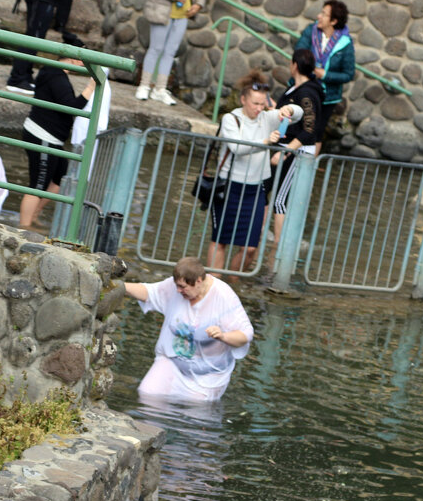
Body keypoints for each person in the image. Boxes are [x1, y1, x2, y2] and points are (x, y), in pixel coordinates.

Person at [122, 256, 254, 403]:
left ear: (199, 281)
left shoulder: (224, 296)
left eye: (183, 287)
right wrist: (120, 286)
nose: (178, 291)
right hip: (173, 363)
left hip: (208, 376)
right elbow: (149, 292)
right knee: (147, 393)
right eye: (177, 286)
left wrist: (223, 336)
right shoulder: (177, 287)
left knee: (194, 413)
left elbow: (246, 334)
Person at [208, 70, 299, 276]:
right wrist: (267, 142)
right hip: (229, 185)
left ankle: (233, 281)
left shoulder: (267, 118)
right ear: (243, 100)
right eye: (254, 103)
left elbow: (298, 114)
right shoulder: (230, 119)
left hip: (255, 189)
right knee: (220, 240)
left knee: (250, 248)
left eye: (262, 103)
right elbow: (237, 148)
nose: (259, 108)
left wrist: (288, 109)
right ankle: (215, 281)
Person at [18, 55, 96, 229]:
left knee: (61, 174)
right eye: (83, 59)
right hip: (42, 135)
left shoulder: (53, 71)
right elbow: (72, 107)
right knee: (38, 184)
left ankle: (34, 214)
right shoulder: (56, 74)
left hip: (50, 137)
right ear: (72, 58)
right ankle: (23, 228)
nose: (84, 64)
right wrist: (91, 87)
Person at [269, 48, 323, 249]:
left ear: (294, 66)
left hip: (296, 152)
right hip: (286, 147)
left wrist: (285, 153)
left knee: (280, 200)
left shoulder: (307, 93)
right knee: (275, 196)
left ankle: (279, 245)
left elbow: (309, 129)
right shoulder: (295, 89)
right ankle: (275, 239)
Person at [295, 0, 354, 151]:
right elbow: (299, 51)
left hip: (327, 98)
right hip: (303, 88)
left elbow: (348, 74)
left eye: (323, 14)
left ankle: (307, 171)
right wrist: (310, 68)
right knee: (297, 127)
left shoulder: (345, 43)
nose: (318, 16)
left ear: (333, 21)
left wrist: (326, 75)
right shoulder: (311, 30)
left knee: (316, 132)